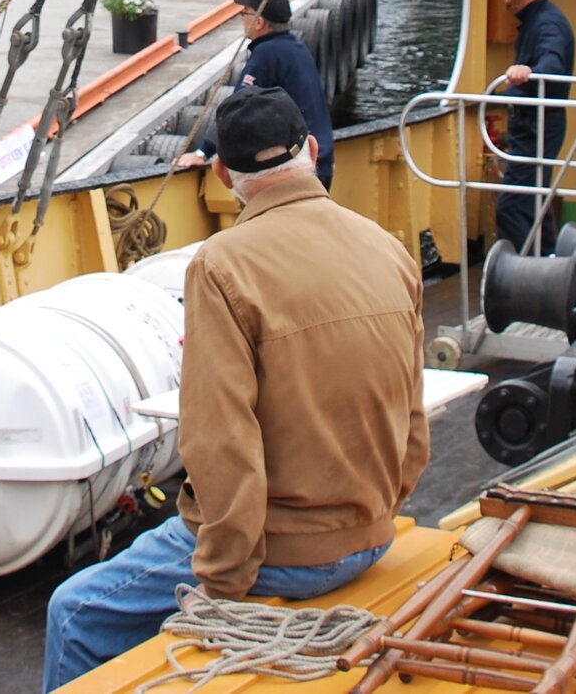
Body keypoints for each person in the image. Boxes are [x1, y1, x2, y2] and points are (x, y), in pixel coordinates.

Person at [41, 88, 427, 690]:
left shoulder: (223, 265)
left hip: (289, 556)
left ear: (222, 172)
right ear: (313, 148)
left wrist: (221, 586)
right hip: (373, 533)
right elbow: (413, 417)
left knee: (76, 612)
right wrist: (376, 514)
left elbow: (222, 439)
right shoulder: (389, 248)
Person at [184, 0, 337, 189]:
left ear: (259, 22)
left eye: (244, 13)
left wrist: (202, 152)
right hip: (319, 160)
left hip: (296, 169)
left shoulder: (266, 54)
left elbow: (237, 111)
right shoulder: (294, 47)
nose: (241, 19)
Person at [491, 0, 574, 254]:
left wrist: (529, 73)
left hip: (538, 127)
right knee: (533, 203)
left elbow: (552, 66)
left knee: (513, 206)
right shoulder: (539, 20)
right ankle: (549, 262)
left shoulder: (548, 24)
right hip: (533, 124)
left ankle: (525, 274)